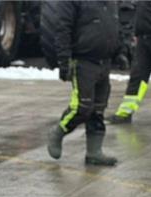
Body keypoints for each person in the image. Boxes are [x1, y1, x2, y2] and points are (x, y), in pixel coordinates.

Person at [45, 1, 121, 166]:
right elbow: (63, 28)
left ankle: (94, 152)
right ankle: (58, 132)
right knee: (82, 107)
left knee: (98, 109)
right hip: (83, 61)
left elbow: (115, 25)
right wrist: (64, 60)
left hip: (104, 61)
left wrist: (120, 51)